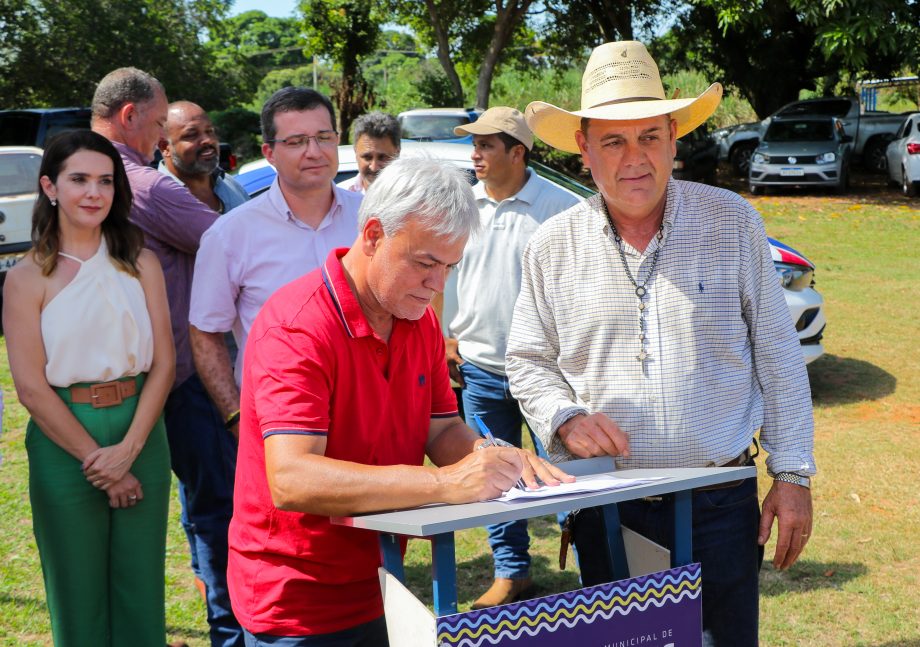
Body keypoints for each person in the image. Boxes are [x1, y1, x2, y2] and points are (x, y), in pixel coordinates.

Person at [505, 40, 815, 647]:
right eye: (614, 141)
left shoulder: (731, 221)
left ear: (675, 138)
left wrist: (794, 475)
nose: (635, 159)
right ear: (583, 148)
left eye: (649, 136)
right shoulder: (552, 244)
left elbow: (779, 355)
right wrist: (565, 419)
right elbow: (528, 360)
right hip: (608, 502)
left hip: (718, 496)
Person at [227, 156, 573, 645]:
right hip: (297, 599)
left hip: (380, 578)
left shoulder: (418, 320)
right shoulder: (297, 326)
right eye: (426, 263)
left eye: (451, 266)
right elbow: (292, 477)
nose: (439, 286)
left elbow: (441, 428)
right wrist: (444, 482)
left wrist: (490, 458)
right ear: (372, 235)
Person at [3, 130, 174, 646]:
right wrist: (99, 462)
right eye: (79, 179)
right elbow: (31, 387)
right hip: (63, 440)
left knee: (141, 585)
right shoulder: (26, 278)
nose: (93, 193)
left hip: (140, 429)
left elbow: (165, 363)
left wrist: (130, 451)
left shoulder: (140, 261)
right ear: (50, 187)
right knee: (76, 590)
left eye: (105, 181)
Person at [91, 67, 243, 647]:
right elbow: (235, 245)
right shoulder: (145, 185)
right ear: (130, 116)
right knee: (216, 510)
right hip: (179, 378)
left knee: (160, 512)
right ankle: (232, 634)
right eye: (160, 126)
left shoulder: (77, 177)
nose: (160, 140)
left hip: (106, 383)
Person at [445, 106, 579, 609]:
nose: (474, 155)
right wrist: (445, 338)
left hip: (548, 374)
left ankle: (590, 564)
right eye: (472, 146)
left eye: (485, 146)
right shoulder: (463, 206)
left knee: (564, 477)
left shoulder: (560, 208)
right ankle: (513, 572)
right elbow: (446, 276)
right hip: (478, 368)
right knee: (496, 478)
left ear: (517, 152)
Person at [189, 87, 362, 433]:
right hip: (276, 421)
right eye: (296, 141)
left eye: (324, 137)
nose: (314, 152)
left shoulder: (372, 220)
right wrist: (235, 416)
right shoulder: (230, 235)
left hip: (365, 411)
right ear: (269, 152)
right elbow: (205, 333)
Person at [158, 100, 249, 214]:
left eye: (209, 131)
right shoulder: (157, 202)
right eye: (191, 135)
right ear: (165, 147)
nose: (208, 140)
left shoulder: (229, 183)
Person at [337, 111, 401, 193]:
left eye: (382, 157)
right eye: (367, 157)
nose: (374, 168)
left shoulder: (413, 198)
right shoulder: (339, 196)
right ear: (355, 153)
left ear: (397, 153)